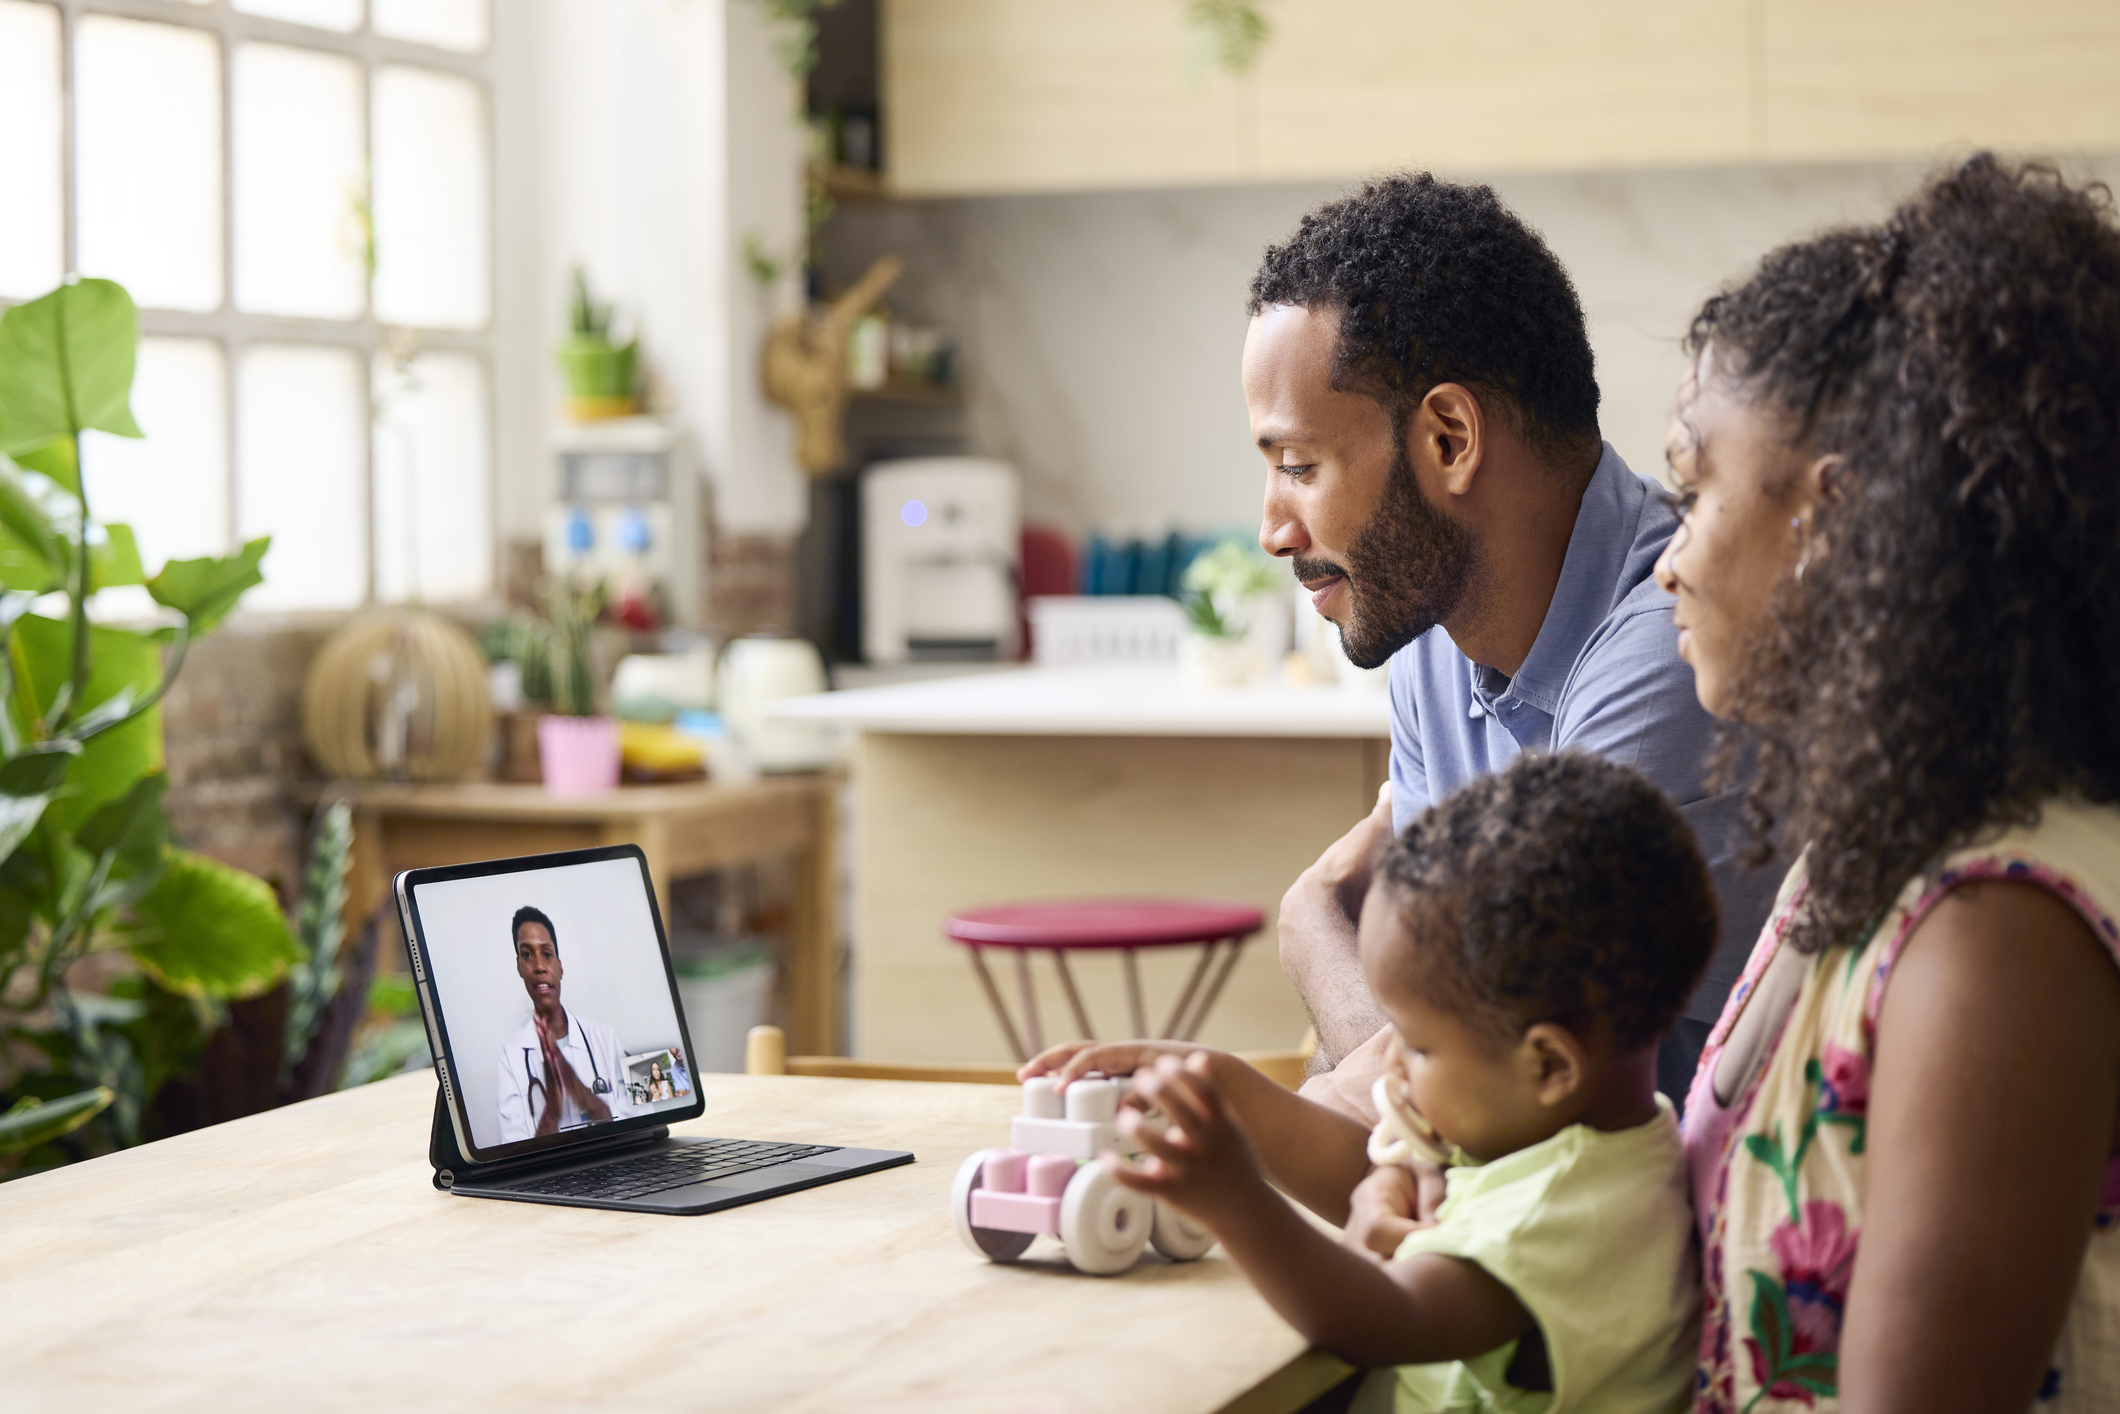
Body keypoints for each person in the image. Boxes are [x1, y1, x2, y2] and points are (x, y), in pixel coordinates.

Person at [1656, 155, 2120, 1411]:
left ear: (1839, 525)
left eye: (1694, 489)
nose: (1667, 560)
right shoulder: (1883, 851)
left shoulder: (1995, 942)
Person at [1248, 174, 1778, 1117]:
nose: (1274, 530)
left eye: (1299, 466)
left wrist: (1307, 920)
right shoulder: (1426, 626)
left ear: (1450, 438)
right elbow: (1421, 1033)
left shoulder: (1675, 653)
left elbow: (1474, 1106)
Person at [1060, 753, 1716, 1412]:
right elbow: (1350, 1170)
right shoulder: (1555, 1133)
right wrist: (1219, 1082)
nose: (1392, 1062)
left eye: (1420, 1045)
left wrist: (1237, 1203)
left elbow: (1384, 1320)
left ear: (1549, 1066)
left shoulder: (1573, 1211)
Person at [493, 905, 632, 1143]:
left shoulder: (605, 1038)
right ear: (519, 967)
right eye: (527, 955)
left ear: (560, 966)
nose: (538, 966)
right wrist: (553, 1108)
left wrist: (573, 1084)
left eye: (546, 954)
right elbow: (518, 1157)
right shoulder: (510, 1059)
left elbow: (639, 1127)